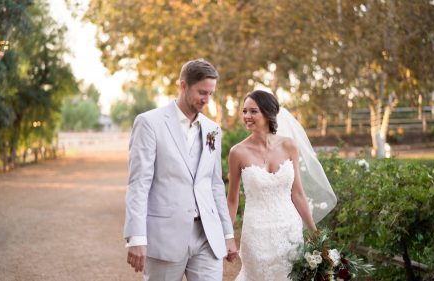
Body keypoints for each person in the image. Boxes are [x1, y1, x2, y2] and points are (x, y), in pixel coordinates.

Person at [124, 58, 238, 281]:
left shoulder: (212, 129)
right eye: (201, 92)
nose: (206, 100)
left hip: (206, 236)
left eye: (210, 94)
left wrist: (227, 233)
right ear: (183, 85)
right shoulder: (149, 123)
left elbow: (214, 184)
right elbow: (139, 182)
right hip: (165, 236)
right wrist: (136, 236)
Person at [227, 90, 336, 281]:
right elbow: (232, 199)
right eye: (244, 111)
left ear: (268, 113)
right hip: (256, 233)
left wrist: (314, 232)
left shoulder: (289, 146)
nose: (246, 116)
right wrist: (228, 237)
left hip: (289, 230)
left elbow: (298, 193)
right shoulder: (237, 152)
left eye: (253, 111)